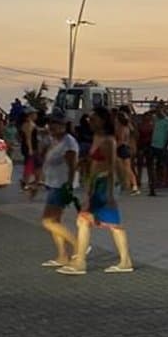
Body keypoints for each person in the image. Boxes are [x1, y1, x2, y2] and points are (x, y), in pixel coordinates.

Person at [58, 107, 134, 275]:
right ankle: (124, 260)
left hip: (105, 184)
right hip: (96, 183)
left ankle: (81, 262)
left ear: (102, 120)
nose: (89, 122)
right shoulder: (97, 137)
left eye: (93, 119)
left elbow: (113, 166)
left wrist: (109, 194)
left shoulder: (108, 140)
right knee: (103, 223)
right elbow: (96, 162)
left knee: (89, 221)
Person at [40, 111, 79, 268]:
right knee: (55, 221)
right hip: (52, 182)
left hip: (61, 185)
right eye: (50, 123)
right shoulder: (54, 140)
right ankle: (62, 256)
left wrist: (68, 187)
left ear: (64, 125)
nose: (51, 127)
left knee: (48, 221)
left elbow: (72, 166)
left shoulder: (69, 143)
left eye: (55, 123)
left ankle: (78, 245)